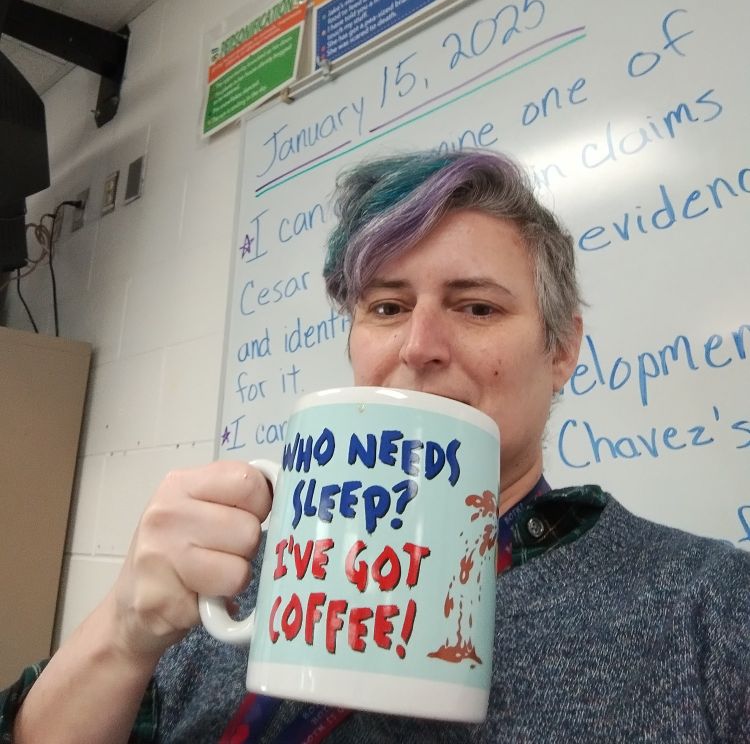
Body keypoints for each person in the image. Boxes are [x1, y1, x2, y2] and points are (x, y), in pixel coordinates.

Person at [3, 148, 749, 743]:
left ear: (561, 351)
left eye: (477, 306)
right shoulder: (236, 580)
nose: (419, 346)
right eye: (387, 307)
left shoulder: (712, 605)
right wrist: (125, 634)